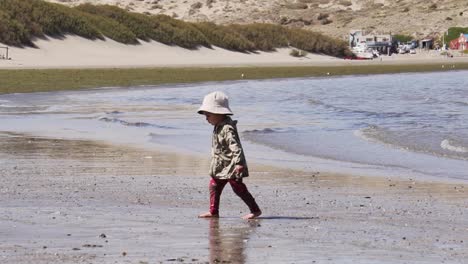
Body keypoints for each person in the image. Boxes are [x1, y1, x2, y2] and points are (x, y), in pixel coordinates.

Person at [197, 91, 261, 220]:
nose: (206, 118)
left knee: (238, 188)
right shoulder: (217, 125)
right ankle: (213, 211)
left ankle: (255, 210)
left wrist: (238, 163)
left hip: (232, 166)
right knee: (214, 185)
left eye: (208, 115)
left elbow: (235, 146)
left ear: (219, 113)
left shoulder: (227, 128)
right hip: (221, 166)